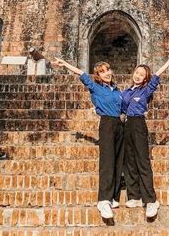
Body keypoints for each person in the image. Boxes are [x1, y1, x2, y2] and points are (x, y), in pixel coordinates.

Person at [52, 57, 123, 220]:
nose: (106, 73)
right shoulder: (96, 87)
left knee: (119, 161)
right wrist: (65, 64)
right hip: (107, 123)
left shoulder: (117, 90)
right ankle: (103, 200)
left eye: (108, 70)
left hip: (121, 124)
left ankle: (114, 196)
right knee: (107, 161)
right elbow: (82, 73)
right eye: (102, 71)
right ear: (97, 75)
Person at [121, 53, 169, 218]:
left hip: (139, 124)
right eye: (137, 73)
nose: (138, 76)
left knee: (142, 161)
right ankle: (134, 196)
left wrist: (167, 62)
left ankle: (151, 200)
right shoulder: (126, 92)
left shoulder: (146, 90)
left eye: (142, 74)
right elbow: (118, 105)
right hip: (126, 125)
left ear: (145, 78)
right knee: (130, 161)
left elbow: (156, 77)